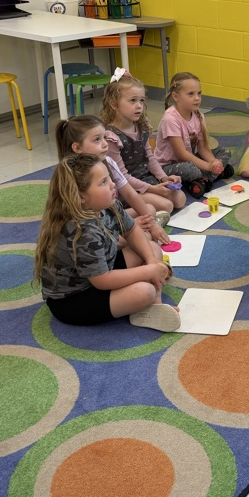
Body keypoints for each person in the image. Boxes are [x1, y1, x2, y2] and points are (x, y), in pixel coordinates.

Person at [34, 153, 180, 331]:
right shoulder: (83, 231)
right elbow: (101, 281)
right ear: (80, 196)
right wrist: (148, 270)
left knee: (151, 249)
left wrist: (150, 261)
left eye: (109, 178)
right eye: (103, 182)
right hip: (73, 300)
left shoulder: (109, 205)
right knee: (144, 292)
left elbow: (131, 229)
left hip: (102, 270)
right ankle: (148, 301)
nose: (112, 184)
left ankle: (155, 307)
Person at [55, 115, 170, 244]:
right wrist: (129, 226)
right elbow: (84, 223)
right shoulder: (72, 175)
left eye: (105, 137)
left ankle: (140, 228)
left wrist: (151, 224)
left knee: (149, 210)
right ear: (77, 148)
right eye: (97, 140)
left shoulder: (107, 161)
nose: (105, 144)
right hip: (90, 230)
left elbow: (129, 193)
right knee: (143, 239)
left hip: (110, 217)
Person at [101, 70, 187, 210]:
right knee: (167, 206)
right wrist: (153, 189)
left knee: (180, 199)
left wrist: (164, 178)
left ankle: (146, 204)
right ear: (114, 104)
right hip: (126, 187)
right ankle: (128, 209)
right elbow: (121, 176)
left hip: (146, 179)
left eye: (141, 100)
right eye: (132, 101)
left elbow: (151, 159)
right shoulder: (111, 137)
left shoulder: (141, 127)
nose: (139, 106)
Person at [153, 71, 233, 197]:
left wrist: (213, 162)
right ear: (176, 96)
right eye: (191, 94)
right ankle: (209, 177)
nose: (197, 98)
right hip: (169, 166)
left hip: (190, 158)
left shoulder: (198, 115)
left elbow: (203, 148)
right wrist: (207, 166)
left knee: (224, 152)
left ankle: (204, 180)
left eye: (199, 93)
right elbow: (181, 153)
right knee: (190, 169)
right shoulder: (170, 119)